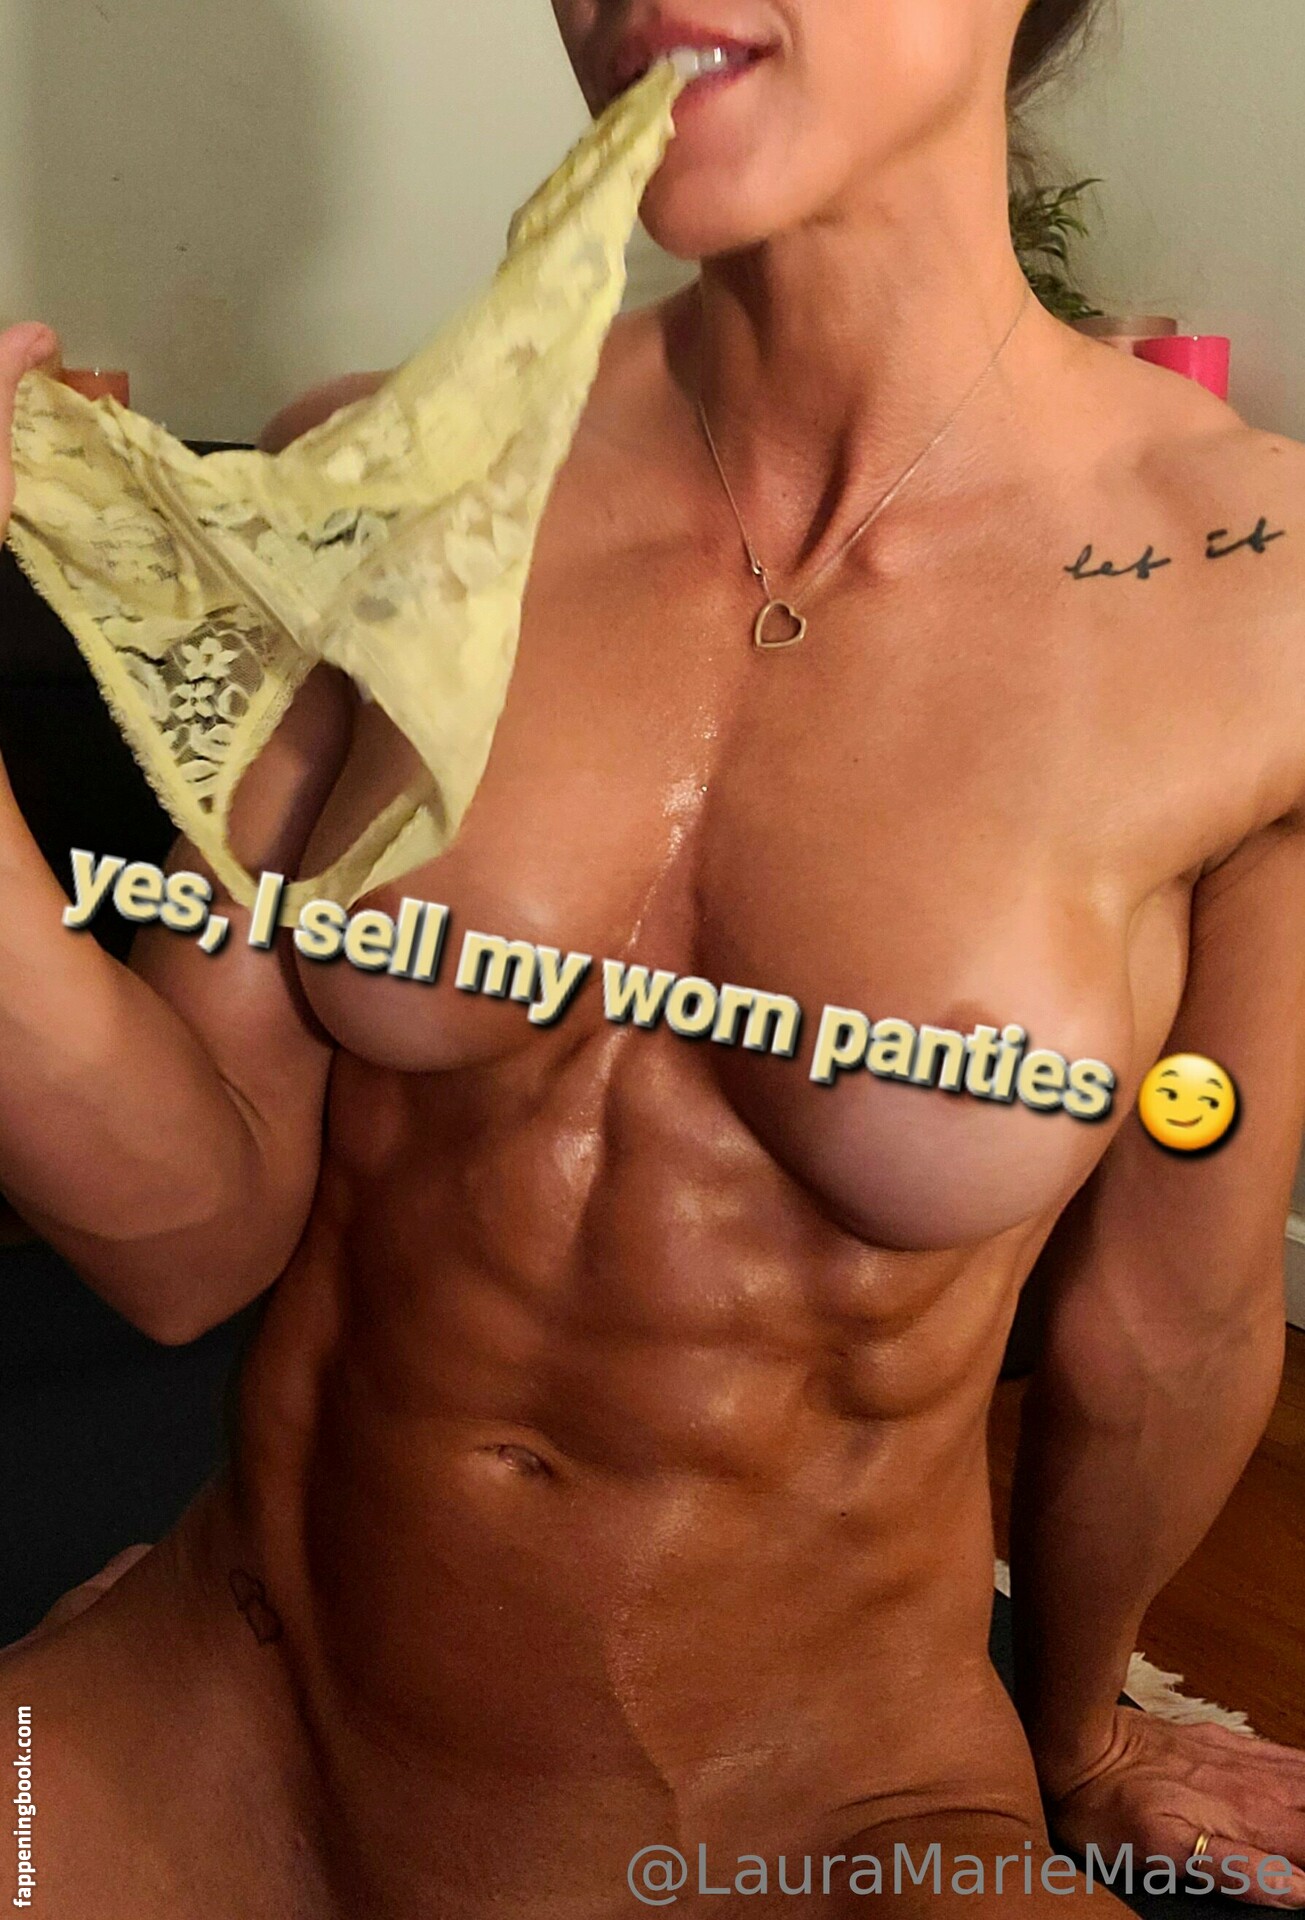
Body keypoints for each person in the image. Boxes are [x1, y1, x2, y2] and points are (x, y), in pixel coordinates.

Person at [2, 0, 1305, 1913]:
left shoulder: (1257, 607)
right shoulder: (394, 487)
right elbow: (189, 1235)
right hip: (229, 1715)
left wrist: (1080, 1742)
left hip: (817, 1818)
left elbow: (1164, 1331)